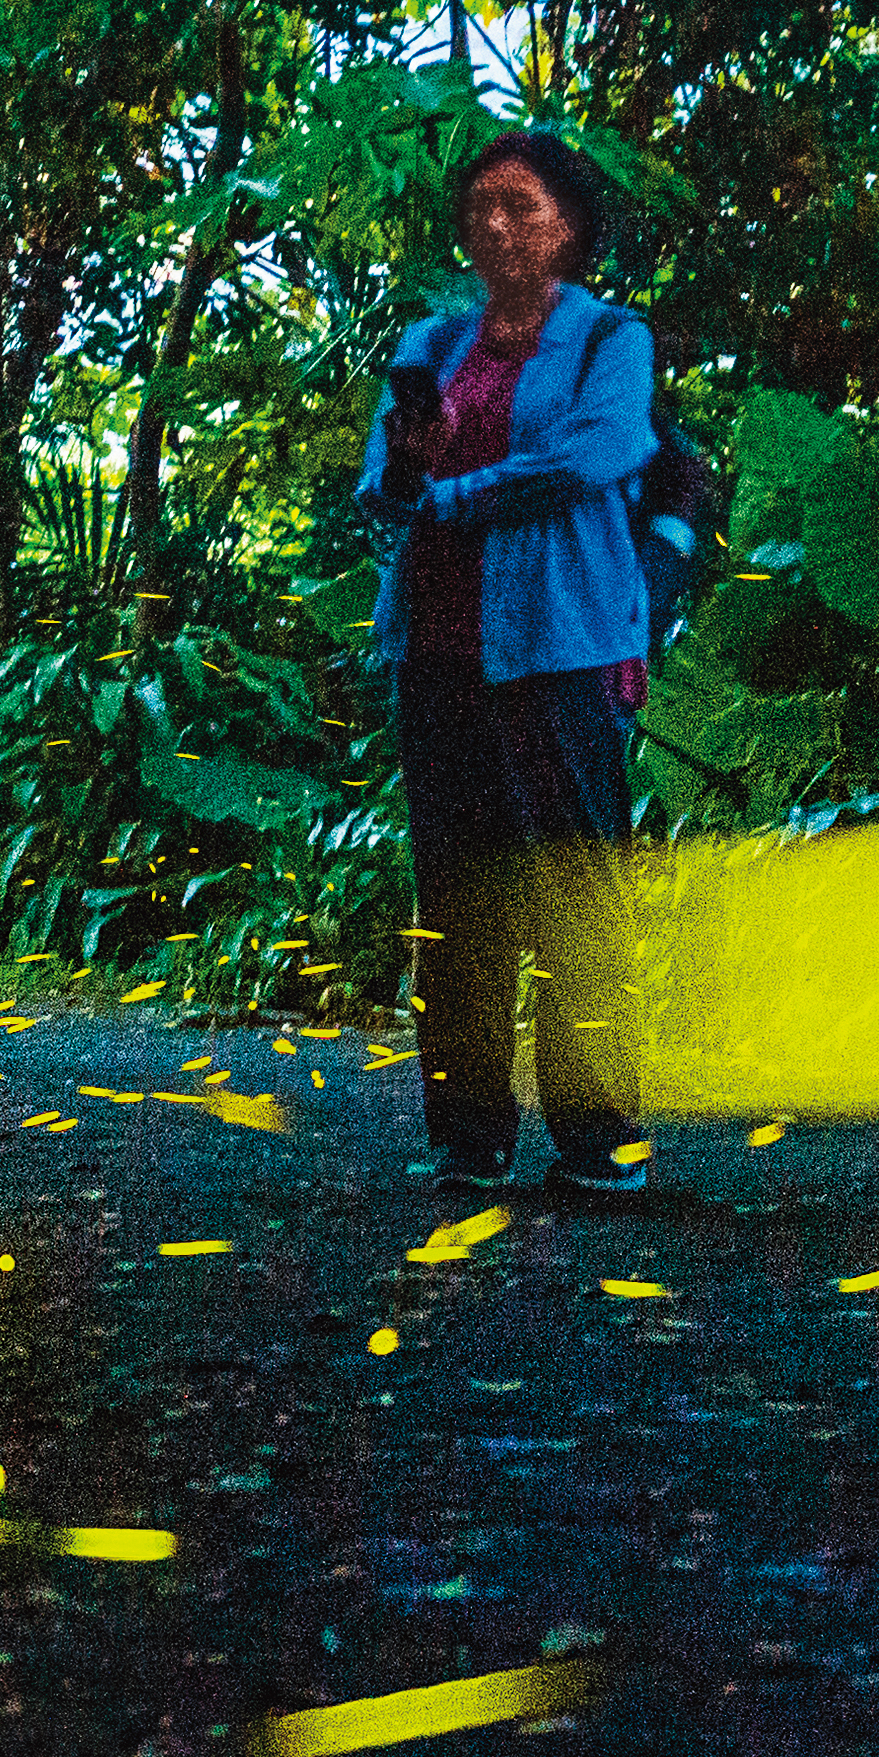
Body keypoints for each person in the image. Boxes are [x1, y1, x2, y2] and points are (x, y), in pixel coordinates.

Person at [352, 130, 660, 1199]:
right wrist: (406, 468)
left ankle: (595, 1132)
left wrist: (451, 499)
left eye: (521, 206)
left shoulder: (609, 340)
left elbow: (600, 452)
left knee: (573, 890)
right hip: (435, 645)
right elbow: (377, 490)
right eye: (481, 206)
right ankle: (467, 1134)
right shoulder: (432, 343)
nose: (497, 225)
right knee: (457, 891)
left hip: (560, 645)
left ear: (568, 227)